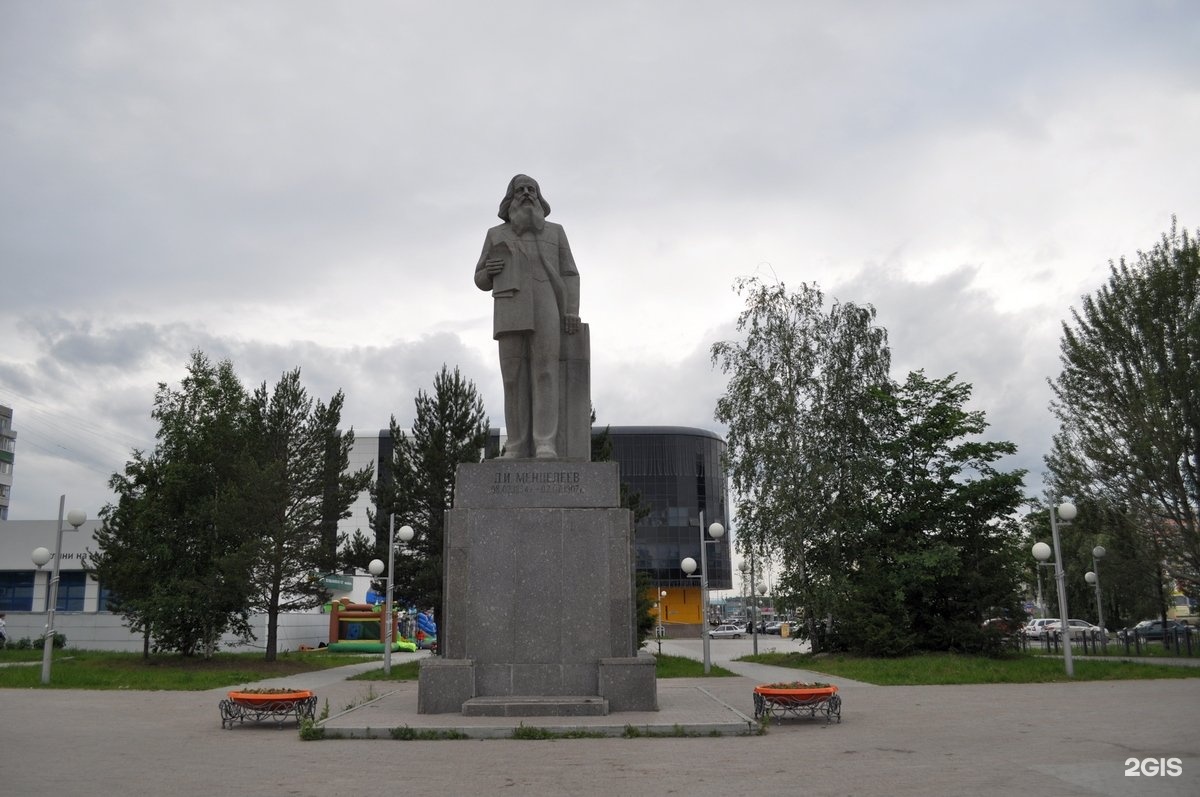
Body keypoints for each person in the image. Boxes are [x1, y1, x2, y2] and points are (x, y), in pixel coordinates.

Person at [474, 174, 581, 459]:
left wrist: (571, 310)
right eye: (519, 189)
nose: (526, 193)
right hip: (510, 306)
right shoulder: (496, 234)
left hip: (547, 304)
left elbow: (570, 272)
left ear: (539, 196)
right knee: (512, 378)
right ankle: (517, 445)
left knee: (545, 372)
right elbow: (480, 279)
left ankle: (545, 442)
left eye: (531, 189)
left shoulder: (555, 232)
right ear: (510, 197)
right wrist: (490, 271)